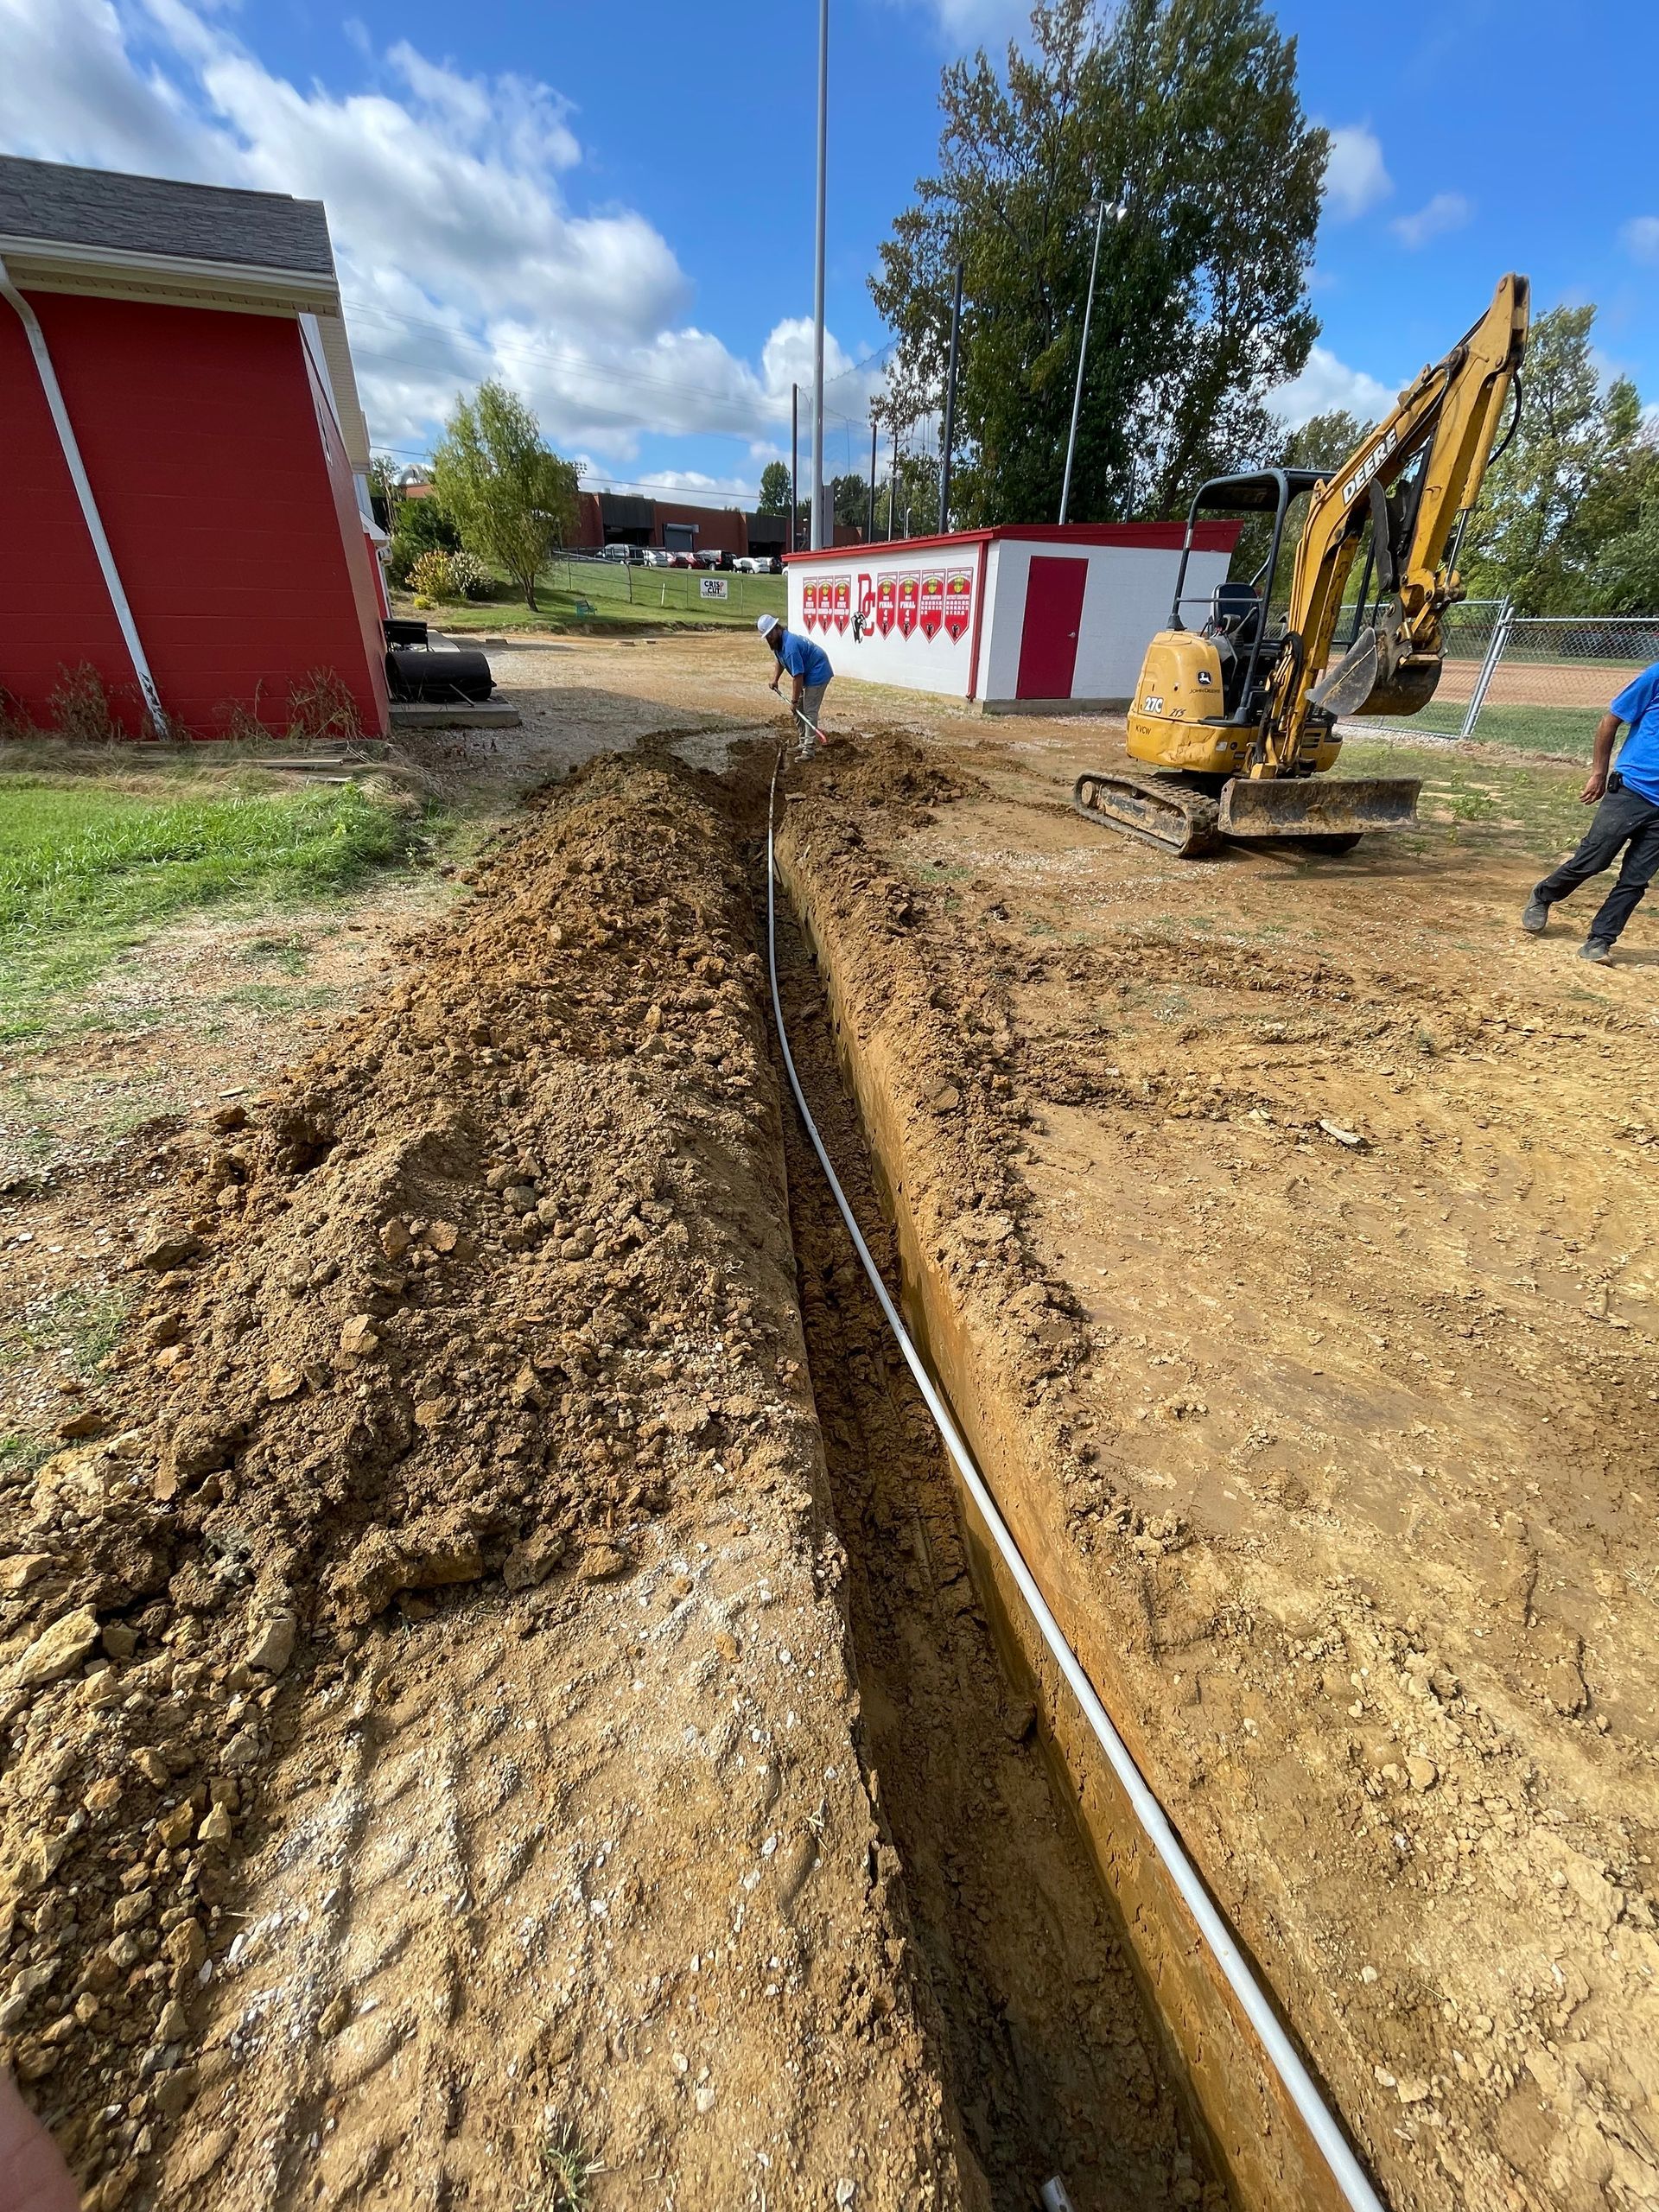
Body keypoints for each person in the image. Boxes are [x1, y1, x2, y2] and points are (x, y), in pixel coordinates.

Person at [1521, 661, 1659, 963]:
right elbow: (1610, 721)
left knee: (1635, 880)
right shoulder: (1656, 675)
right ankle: (1544, 894)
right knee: (1593, 860)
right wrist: (1598, 772)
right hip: (1631, 789)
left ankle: (1600, 941)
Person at [758, 614, 832, 754]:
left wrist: (794, 700)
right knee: (798, 710)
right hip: (808, 672)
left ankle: (808, 750)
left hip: (818, 671)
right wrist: (775, 680)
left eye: (770, 634)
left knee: (809, 710)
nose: (769, 638)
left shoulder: (790, 647)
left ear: (777, 628)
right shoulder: (778, 645)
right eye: (767, 636)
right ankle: (803, 741)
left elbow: (798, 677)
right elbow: (780, 661)